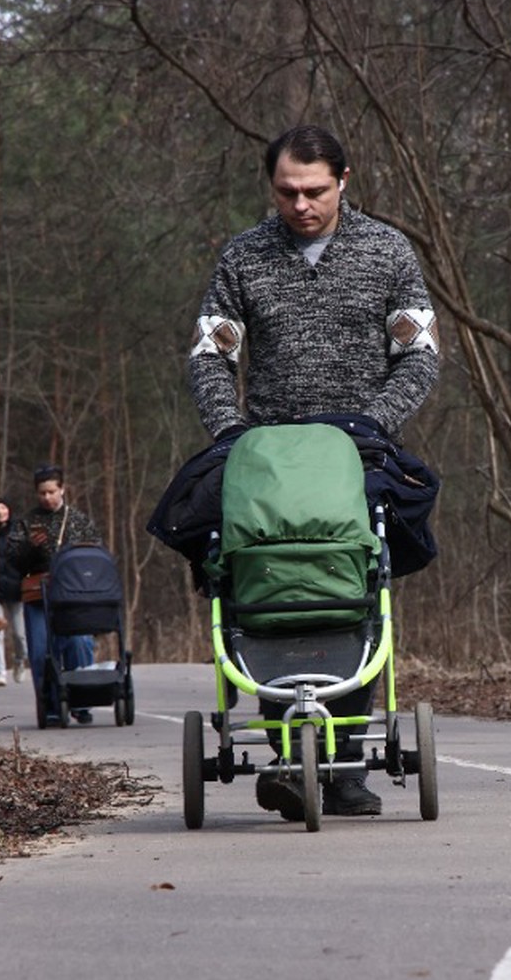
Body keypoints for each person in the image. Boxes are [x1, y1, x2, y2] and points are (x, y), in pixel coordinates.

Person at [186, 123, 439, 818]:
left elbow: (420, 355)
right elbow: (211, 354)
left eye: (315, 191)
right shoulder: (243, 258)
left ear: (344, 181)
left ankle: (347, 763)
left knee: (356, 584)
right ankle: (287, 754)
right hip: (266, 456)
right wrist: (232, 436)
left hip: (357, 452)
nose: (300, 205)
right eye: (287, 192)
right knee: (263, 579)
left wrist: (374, 424)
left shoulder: (388, 252)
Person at [10, 465, 101, 725]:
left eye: (51, 492)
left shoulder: (79, 520)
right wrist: (30, 549)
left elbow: (95, 554)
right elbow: (13, 562)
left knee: (79, 643)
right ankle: (49, 705)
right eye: (42, 493)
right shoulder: (27, 523)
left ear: (62, 489)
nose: (47, 497)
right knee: (40, 651)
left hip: (74, 596)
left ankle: (82, 702)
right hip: (39, 597)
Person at [0, 498, 28, 686]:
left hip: (16, 590)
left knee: (20, 635)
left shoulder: (18, 532)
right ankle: (0, 673)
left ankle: (19, 660)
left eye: (4, 507)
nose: (0, 512)